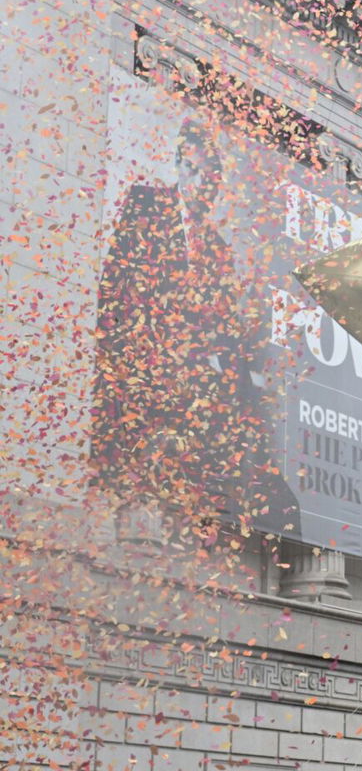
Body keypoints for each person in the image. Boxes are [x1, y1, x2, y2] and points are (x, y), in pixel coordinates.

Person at [91, 118, 300, 534]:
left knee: (245, 403)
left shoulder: (219, 247)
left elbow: (225, 322)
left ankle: (233, 507)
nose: (210, 185)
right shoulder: (146, 204)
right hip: (145, 360)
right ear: (182, 168)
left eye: (215, 177)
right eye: (202, 172)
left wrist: (235, 365)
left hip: (195, 376)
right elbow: (119, 287)